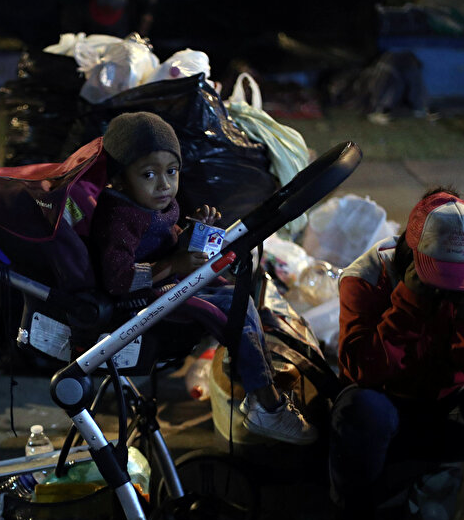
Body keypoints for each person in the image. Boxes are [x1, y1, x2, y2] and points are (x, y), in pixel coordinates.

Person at [90, 111, 315, 445]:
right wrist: (173, 264)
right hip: (140, 300)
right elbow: (117, 277)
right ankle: (265, 403)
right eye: (149, 174)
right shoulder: (119, 217)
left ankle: (258, 380)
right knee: (232, 305)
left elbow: (166, 239)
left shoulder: (150, 202)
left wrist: (195, 232)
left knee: (244, 294)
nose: (164, 184)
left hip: (165, 285)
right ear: (120, 179)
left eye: (171, 171)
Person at [329, 187, 464, 520]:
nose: (450, 287)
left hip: (447, 409)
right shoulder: (367, 277)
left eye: (458, 276)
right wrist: (408, 305)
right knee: (361, 407)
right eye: (440, 276)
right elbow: (362, 372)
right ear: (411, 253)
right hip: (386, 407)